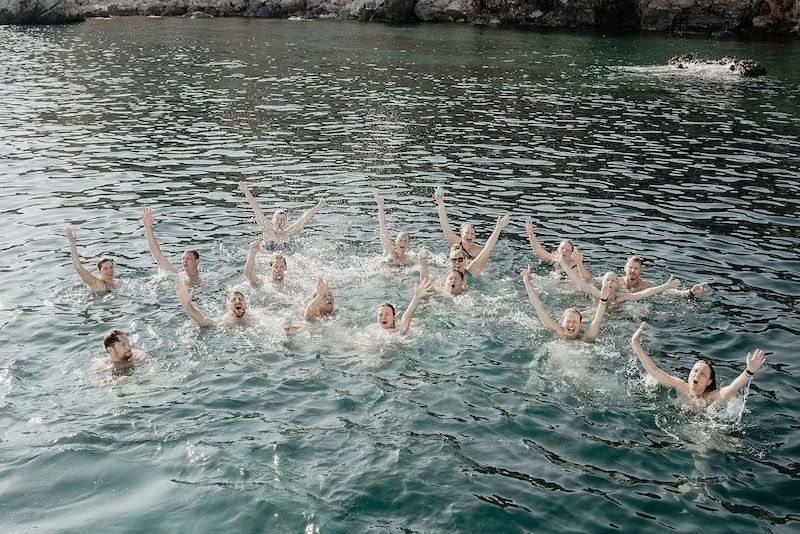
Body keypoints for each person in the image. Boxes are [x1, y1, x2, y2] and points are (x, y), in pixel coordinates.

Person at [631, 322, 766, 408]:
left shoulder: (711, 397)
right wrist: (635, 343)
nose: (697, 375)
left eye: (703, 374)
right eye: (695, 371)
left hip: (705, 426)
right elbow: (654, 370)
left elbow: (731, 389)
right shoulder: (679, 385)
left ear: (709, 382)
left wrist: (749, 371)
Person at [420, 215, 512, 295]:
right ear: (450, 261)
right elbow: (426, 285)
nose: (457, 262)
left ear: (465, 261)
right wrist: (423, 265)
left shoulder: (471, 272)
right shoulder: (445, 277)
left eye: (460, 259)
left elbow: (487, 248)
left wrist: (498, 228)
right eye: (454, 260)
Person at [520, 265, 612, 342]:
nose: (571, 325)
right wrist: (526, 281)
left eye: (575, 322)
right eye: (568, 321)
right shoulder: (559, 333)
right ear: (562, 323)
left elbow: (597, 320)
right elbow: (539, 308)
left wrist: (603, 299)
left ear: (580, 324)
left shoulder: (586, 338)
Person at [558, 251, 681, 305]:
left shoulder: (621, 298)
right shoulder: (595, 293)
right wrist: (564, 263)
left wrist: (665, 286)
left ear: (617, 284)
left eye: (613, 280)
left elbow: (643, 294)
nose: (610, 283)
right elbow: (578, 280)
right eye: (607, 280)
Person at [238, 181, 325, 246]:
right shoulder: (268, 230)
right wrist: (246, 191)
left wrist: (319, 205)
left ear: (286, 222)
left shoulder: (290, 232)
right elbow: (256, 209)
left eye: (283, 220)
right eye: (278, 220)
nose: (280, 222)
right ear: (272, 222)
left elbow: (305, 218)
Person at [141, 207, 201, 284]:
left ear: (197, 262)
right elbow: (157, 255)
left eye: (188, 258)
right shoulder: (177, 274)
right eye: (183, 259)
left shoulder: (206, 277)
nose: (184, 261)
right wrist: (148, 228)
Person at [524, 219, 593, 280]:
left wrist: (579, 263)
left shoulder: (575, 265)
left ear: (572, 254)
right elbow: (539, 252)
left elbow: (587, 277)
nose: (564, 251)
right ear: (558, 250)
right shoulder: (553, 259)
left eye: (568, 250)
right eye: (562, 248)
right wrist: (530, 234)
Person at [620, 255, 709, 297]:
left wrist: (690, 292)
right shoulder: (615, 282)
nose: (632, 270)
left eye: (636, 268)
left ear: (641, 270)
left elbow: (667, 291)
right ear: (624, 268)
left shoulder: (647, 284)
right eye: (630, 267)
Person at [433, 188, 484, 260]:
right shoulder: (455, 242)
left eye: (472, 233)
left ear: (475, 236)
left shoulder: (479, 251)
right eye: (467, 233)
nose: (469, 235)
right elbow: (445, 226)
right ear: (461, 234)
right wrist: (440, 203)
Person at [65, 227, 119, 293]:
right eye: (105, 268)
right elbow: (78, 267)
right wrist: (72, 243)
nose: (109, 270)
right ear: (99, 271)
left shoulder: (118, 282)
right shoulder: (97, 284)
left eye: (111, 267)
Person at [374, 192, 414, 266]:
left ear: (408, 245)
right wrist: (380, 206)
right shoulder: (388, 249)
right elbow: (383, 228)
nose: (403, 242)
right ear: (395, 242)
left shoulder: (409, 260)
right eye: (401, 240)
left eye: (405, 241)